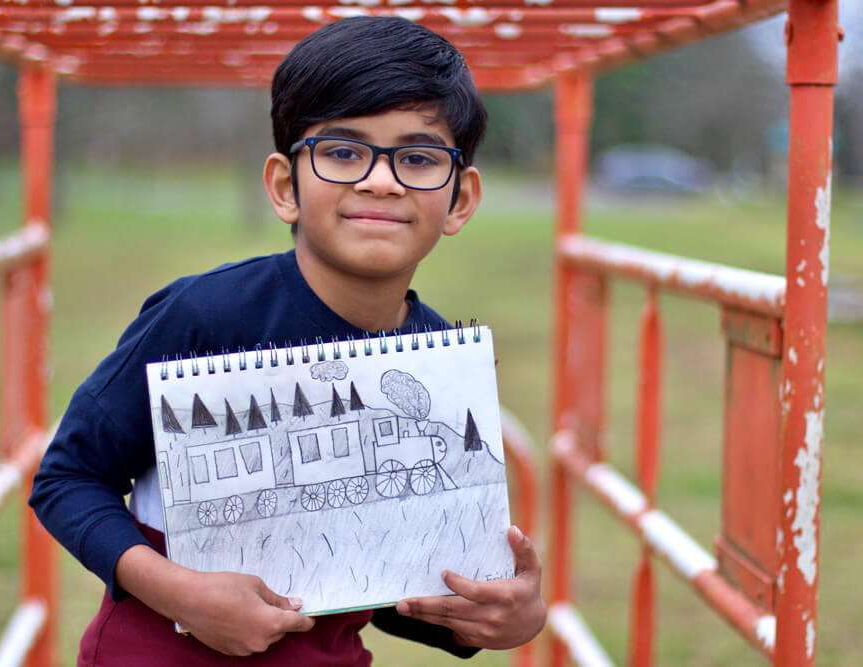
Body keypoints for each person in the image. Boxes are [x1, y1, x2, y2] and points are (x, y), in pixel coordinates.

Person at [30, 16, 547, 666]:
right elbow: (68, 477)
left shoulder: (438, 363)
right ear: (284, 185)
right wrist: (182, 592)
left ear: (461, 198)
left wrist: (498, 617)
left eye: (417, 157)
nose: (381, 180)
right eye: (342, 151)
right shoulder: (203, 315)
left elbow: (389, 585)